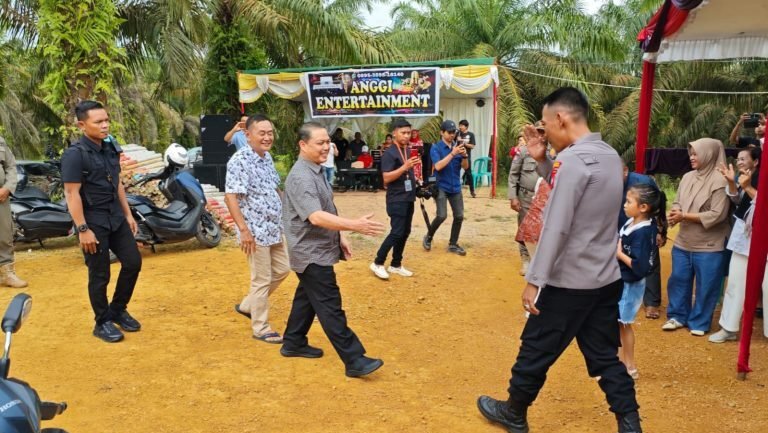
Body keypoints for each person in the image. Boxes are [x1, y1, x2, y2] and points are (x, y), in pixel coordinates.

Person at [477, 87, 642, 433]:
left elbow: (556, 226)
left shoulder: (573, 161)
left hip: (568, 281)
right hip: (604, 278)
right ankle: (630, 422)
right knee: (603, 356)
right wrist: (542, 160)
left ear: (561, 118)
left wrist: (535, 279)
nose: (543, 132)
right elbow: (581, 188)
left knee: (535, 347)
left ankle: (514, 411)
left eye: (545, 124)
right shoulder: (609, 155)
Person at [281, 121, 386, 378]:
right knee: (330, 305)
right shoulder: (301, 177)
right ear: (303, 145)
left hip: (317, 249)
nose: (327, 147)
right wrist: (354, 226)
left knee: (307, 298)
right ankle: (354, 360)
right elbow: (316, 217)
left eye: (328, 142)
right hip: (310, 252)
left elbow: (327, 209)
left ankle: (293, 342)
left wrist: (340, 236)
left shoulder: (315, 170)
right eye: (320, 143)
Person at [61, 101, 142, 343]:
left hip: (115, 217)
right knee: (100, 274)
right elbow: (71, 193)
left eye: (106, 120)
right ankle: (102, 321)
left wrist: (128, 214)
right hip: (93, 221)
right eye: (98, 122)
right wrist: (82, 229)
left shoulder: (110, 147)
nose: (105, 125)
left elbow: (117, 183)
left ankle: (117, 309)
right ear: (82, 125)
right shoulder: (74, 155)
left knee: (133, 262)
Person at [224, 114, 290, 344]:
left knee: (283, 269)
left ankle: (247, 305)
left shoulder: (267, 157)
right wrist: (243, 230)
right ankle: (261, 327)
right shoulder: (239, 160)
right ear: (247, 134)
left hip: (274, 227)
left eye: (269, 132)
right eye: (261, 133)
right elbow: (230, 196)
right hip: (255, 230)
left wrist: (287, 212)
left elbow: (274, 189)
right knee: (261, 279)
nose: (267, 137)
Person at [662, 138, 730, 336]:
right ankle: (676, 316)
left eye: (696, 153)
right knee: (678, 279)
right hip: (684, 240)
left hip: (710, 244)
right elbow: (677, 201)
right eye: (690, 153)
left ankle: (699, 322)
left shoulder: (721, 180)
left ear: (709, 154)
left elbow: (718, 215)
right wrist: (676, 212)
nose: (691, 157)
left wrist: (684, 216)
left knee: (707, 285)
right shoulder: (687, 177)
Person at [710, 147, 767, 342]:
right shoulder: (748, 175)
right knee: (735, 280)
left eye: (745, 158)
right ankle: (728, 327)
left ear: (756, 161)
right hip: (746, 232)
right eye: (739, 158)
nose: (740, 161)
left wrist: (749, 187)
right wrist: (732, 182)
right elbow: (738, 201)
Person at [616, 184, 664, 380]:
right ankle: (619, 364)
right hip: (623, 280)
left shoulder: (643, 231)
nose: (625, 205)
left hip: (631, 284)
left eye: (629, 201)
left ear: (643, 207)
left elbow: (640, 266)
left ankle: (629, 365)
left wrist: (619, 254)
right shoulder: (633, 223)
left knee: (624, 324)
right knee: (618, 324)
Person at [370, 119, 419, 280]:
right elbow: (386, 178)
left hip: (408, 197)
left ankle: (396, 264)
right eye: (403, 133)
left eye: (408, 133)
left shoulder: (406, 150)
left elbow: (407, 173)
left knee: (405, 232)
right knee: (397, 232)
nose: (406, 136)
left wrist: (416, 181)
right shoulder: (390, 153)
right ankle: (377, 262)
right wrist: (405, 167)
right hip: (396, 199)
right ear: (395, 133)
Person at [620, 161, 667, 320]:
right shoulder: (604, 181)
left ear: (625, 171)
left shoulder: (643, 183)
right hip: (625, 223)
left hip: (645, 225)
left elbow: (659, 206)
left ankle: (652, 302)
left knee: (649, 260)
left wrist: (660, 230)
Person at [423, 120, 469, 256]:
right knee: (441, 215)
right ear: (441, 133)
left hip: (455, 186)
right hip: (441, 186)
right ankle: (429, 236)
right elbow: (437, 166)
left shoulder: (457, 146)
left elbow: (465, 167)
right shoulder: (435, 148)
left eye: (453, 132)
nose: (452, 135)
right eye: (449, 132)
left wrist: (464, 155)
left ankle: (453, 244)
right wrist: (453, 154)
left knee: (459, 216)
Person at [508, 124, 542, 276]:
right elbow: (513, 175)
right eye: (538, 131)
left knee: (542, 228)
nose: (540, 134)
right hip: (525, 197)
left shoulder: (552, 152)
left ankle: (539, 260)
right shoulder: (523, 151)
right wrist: (513, 197)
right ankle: (526, 259)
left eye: (543, 131)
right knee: (525, 228)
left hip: (543, 199)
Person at [0, 135, 27, 288]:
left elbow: (11, 166)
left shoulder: (0, 140)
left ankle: (7, 273)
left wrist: (8, 188)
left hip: (1, 197)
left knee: (4, 234)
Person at [457, 119, 477, 198]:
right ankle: (456, 190)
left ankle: (472, 191)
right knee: (455, 172)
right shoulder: (457, 134)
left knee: (468, 173)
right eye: (460, 125)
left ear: (466, 126)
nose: (460, 127)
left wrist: (463, 142)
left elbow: (472, 146)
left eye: (462, 125)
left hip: (466, 156)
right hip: (457, 156)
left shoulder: (471, 134)